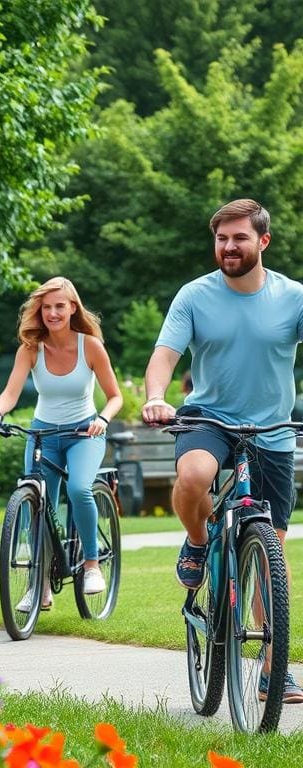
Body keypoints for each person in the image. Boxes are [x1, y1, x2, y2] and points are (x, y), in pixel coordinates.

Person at [141, 198, 303, 704]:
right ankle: (196, 540)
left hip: (273, 430)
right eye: (222, 239)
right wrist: (155, 397)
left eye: (239, 238)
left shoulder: (294, 297)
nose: (229, 247)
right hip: (210, 419)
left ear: (263, 242)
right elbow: (165, 355)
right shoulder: (194, 295)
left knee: (269, 550)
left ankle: (275, 667)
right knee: (193, 475)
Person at [0, 277, 123, 610]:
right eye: (47, 308)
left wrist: (101, 421)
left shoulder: (91, 346)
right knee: (36, 504)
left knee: (79, 491)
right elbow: (11, 392)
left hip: (83, 434)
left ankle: (91, 564)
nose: (53, 313)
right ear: (39, 311)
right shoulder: (31, 348)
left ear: (73, 308)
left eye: (60, 306)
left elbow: (114, 397)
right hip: (43, 434)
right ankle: (39, 584)